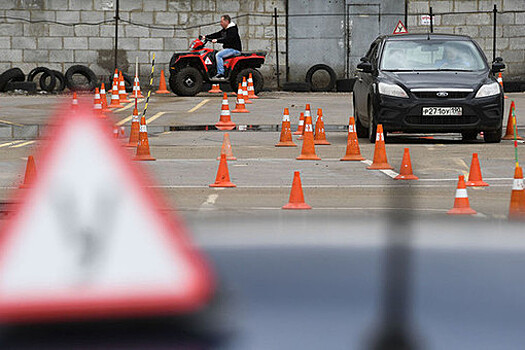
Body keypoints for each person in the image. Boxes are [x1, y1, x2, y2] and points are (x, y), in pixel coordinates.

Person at [203, 15, 242, 79]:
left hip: (234, 49)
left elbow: (228, 39)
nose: (220, 23)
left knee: (218, 55)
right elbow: (217, 34)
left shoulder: (232, 30)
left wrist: (217, 40)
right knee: (214, 53)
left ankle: (221, 73)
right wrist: (206, 37)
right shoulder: (225, 30)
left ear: (226, 21)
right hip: (228, 49)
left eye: (222, 22)